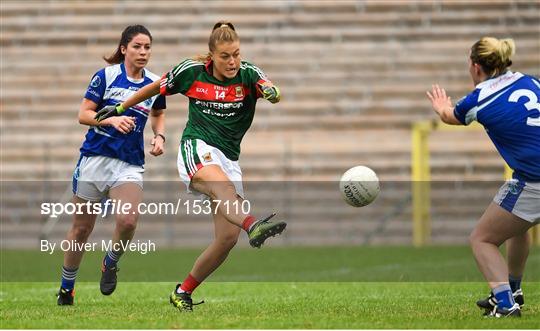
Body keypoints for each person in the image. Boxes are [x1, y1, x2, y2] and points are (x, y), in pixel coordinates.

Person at [95, 21, 287, 311]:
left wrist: (272, 92)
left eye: (236, 53)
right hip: (197, 147)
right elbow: (153, 88)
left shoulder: (248, 74)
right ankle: (253, 225)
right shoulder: (191, 71)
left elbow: (269, 87)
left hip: (229, 158)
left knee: (226, 239)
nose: (232, 61)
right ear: (212, 56)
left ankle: (182, 291)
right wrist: (121, 108)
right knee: (223, 190)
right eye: (225, 56)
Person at [427, 36, 539, 318]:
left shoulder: (480, 98)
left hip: (534, 181)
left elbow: (451, 116)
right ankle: (512, 289)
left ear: (476, 67)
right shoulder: (530, 81)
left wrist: (441, 106)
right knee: (518, 225)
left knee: (481, 239)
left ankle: (505, 304)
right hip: (531, 177)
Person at [57, 25, 166, 305]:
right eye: (137, 47)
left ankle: (110, 261)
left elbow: (158, 112)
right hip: (94, 159)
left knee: (128, 221)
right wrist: (111, 119)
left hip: (128, 164)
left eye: (147, 47)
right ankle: (67, 288)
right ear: (123, 49)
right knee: (81, 229)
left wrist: (159, 135)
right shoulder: (105, 76)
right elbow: (83, 114)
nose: (143, 52)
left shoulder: (155, 82)